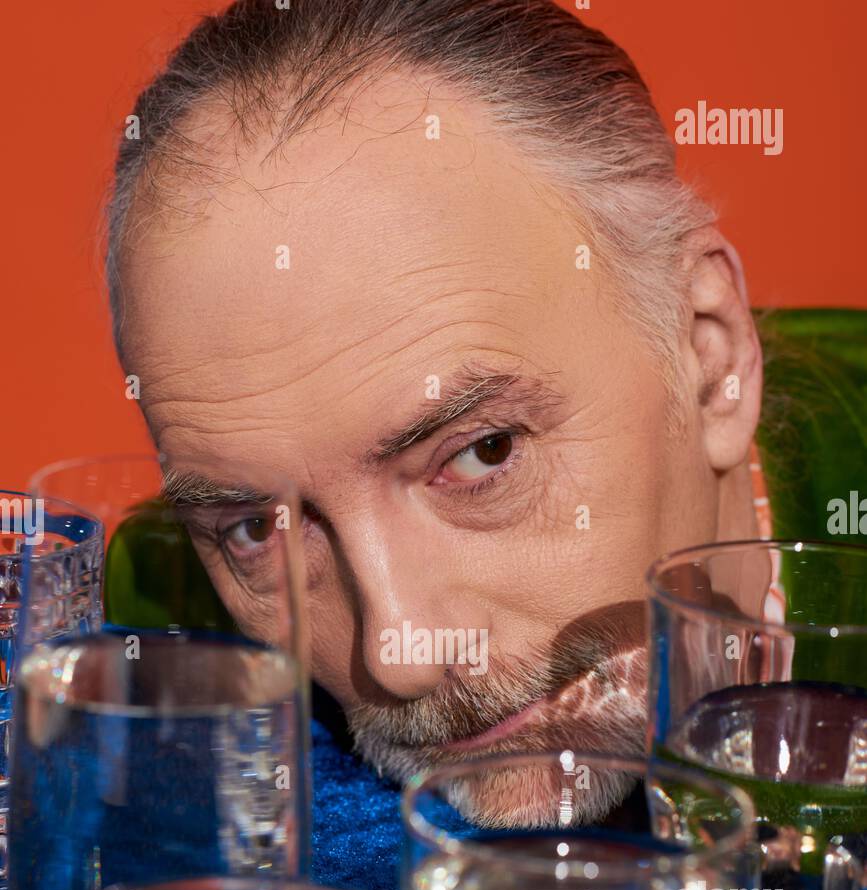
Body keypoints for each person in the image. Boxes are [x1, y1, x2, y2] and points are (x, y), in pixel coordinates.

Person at [105, 0, 830, 823]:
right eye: (256, 530)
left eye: (483, 454)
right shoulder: (160, 620)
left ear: (709, 357)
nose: (397, 652)